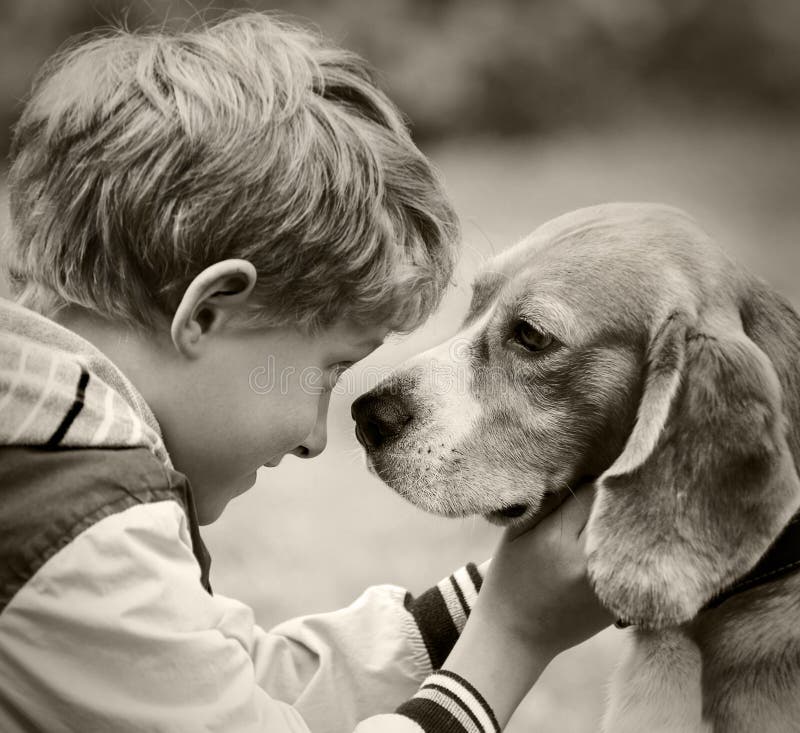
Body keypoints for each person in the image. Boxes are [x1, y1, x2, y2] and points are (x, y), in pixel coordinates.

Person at [0, 12, 611, 732]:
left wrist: (490, 598)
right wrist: (510, 641)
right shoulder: (83, 530)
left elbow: (234, 687)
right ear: (207, 312)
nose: (314, 440)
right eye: (330, 372)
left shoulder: (48, 452)